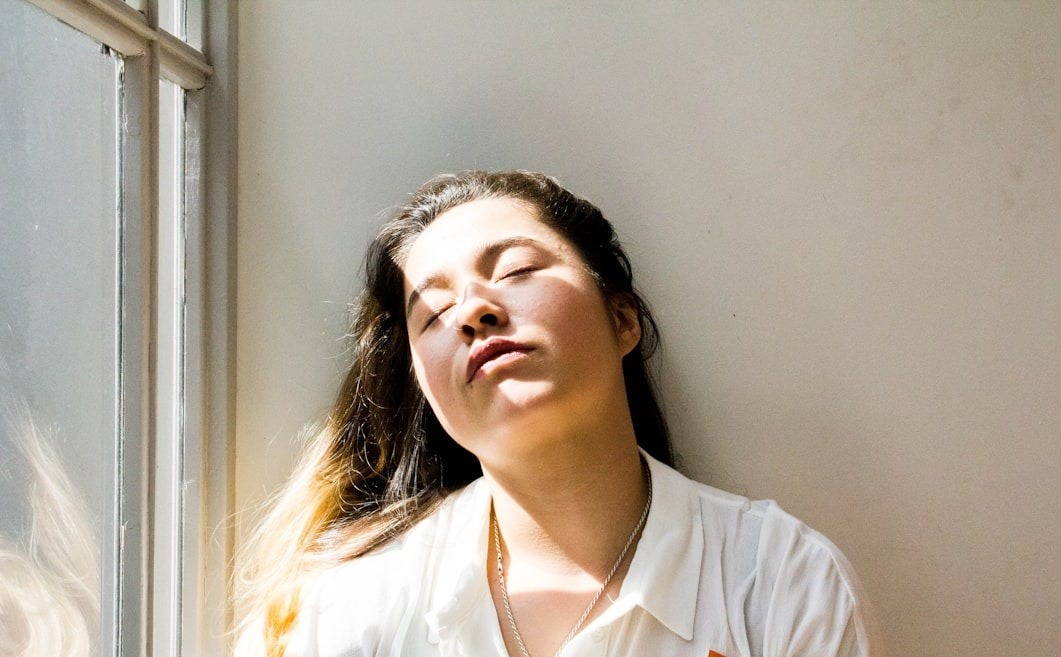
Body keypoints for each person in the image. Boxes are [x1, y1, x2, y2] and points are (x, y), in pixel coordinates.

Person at [234, 171, 882, 657]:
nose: (473, 311)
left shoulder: (778, 582)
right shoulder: (348, 608)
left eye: (515, 269)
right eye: (433, 312)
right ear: (424, 387)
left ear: (622, 318)